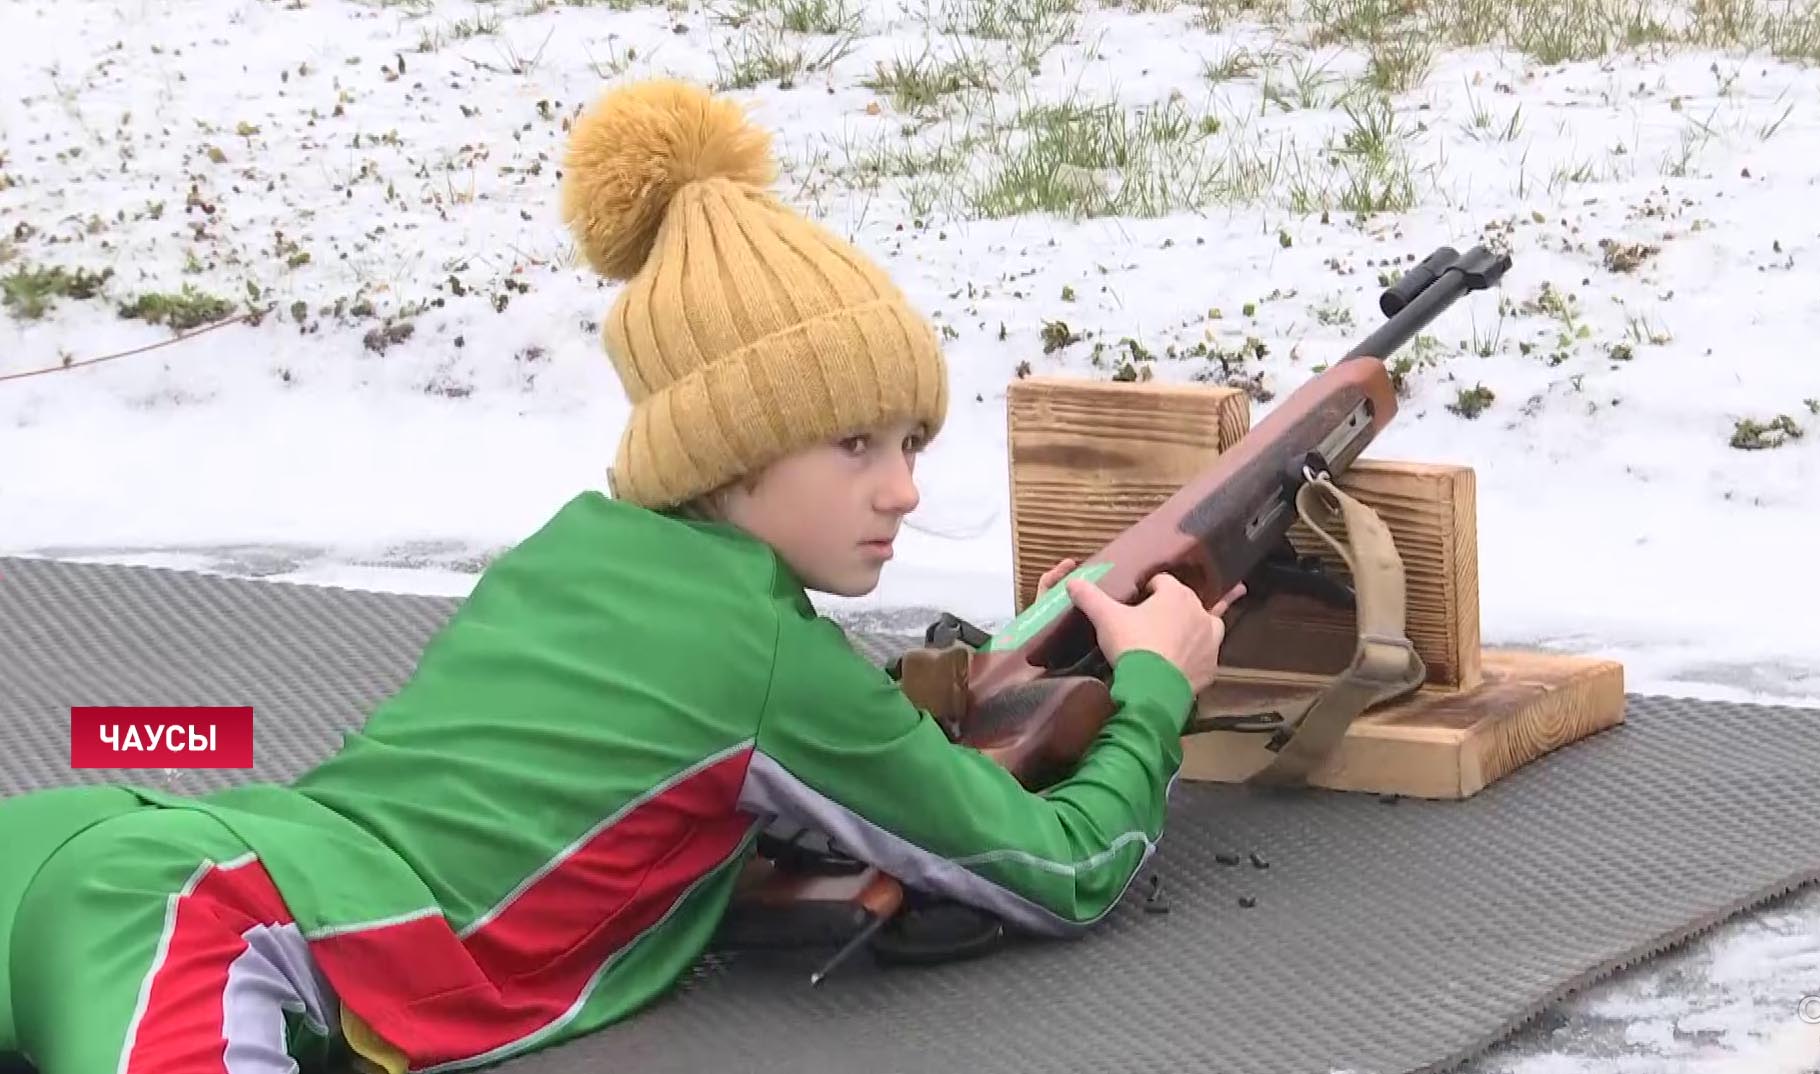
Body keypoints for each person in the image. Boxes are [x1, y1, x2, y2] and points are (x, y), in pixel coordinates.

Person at [0, 79, 1243, 1074]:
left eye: (909, 443)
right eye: (854, 444)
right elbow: (1061, 869)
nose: (902, 490)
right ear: (733, 447)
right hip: (196, 916)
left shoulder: (572, 551)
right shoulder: (758, 664)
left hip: (103, 844)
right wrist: (1152, 692)